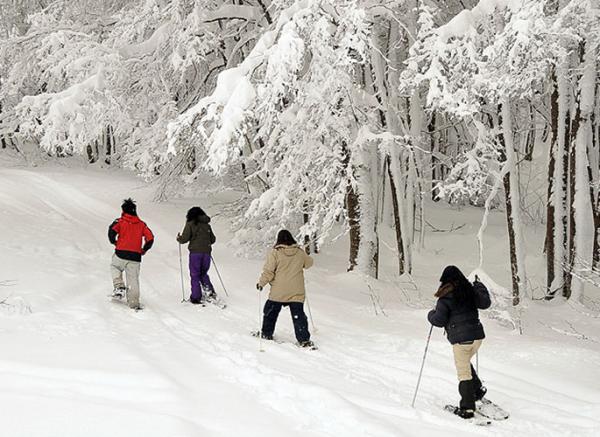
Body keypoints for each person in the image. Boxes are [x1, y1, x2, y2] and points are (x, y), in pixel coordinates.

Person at [428, 265, 491, 419]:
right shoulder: (470, 291)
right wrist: (479, 285)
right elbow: (485, 303)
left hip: (462, 341)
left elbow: (439, 320)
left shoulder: (445, 297)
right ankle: (477, 390)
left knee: (463, 373)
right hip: (477, 338)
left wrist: (431, 315)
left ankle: (467, 409)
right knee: (465, 362)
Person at [256, 229, 314, 347]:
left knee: (270, 312)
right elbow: (309, 264)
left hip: (279, 290)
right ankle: (304, 340)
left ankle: (266, 333)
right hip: (296, 291)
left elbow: (269, 271)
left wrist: (261, 283)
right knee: (298, 316)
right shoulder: (299, 252)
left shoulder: (275, 252)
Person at [108, 198, 154, 310]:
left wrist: (114, 242)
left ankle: (119, 287)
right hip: (135, 256)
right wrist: (144, 250)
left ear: (123, 210)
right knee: (133, 279)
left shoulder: (119, 221)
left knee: (114, 266)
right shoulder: (142, 225)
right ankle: (134, 303)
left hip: (120, 253)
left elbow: (111, 232)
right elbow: (150, 238)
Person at [176, 207, 217, 304]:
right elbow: (213, 239)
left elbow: (184, 239)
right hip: (206, 253)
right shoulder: (207, 225)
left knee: (195, 274)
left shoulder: (190, 224)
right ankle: (210, 292)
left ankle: (196, 297)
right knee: (203, 273)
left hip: (195, 253)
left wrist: (179, 238)